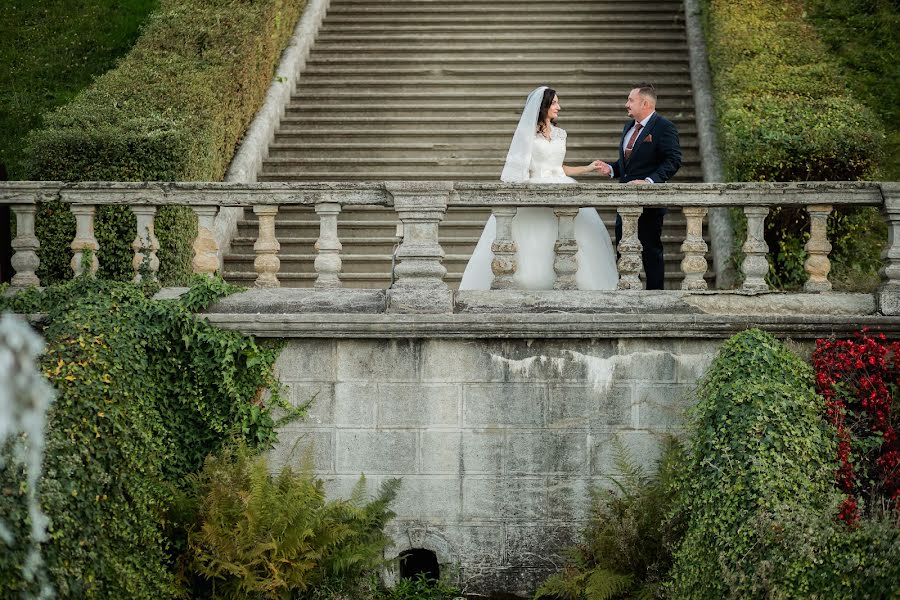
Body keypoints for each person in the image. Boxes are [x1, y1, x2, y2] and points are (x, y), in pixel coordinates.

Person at [458, 87, 618, 291]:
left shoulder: (561, 134)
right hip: (536, 189)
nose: (559, 107)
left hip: (563, 187)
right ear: (543, 107)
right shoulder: (527, 134)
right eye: (554, 103)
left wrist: (587, 168)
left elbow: (559, 167)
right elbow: (518, 168)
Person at [596, 83, 682, 290]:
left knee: (651, 251)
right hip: (624, 203)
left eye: (630, 100)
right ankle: (628, 291)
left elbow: (673, 160)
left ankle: (655, 296)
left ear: (645, 103)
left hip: (649, 203)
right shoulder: (628, 127)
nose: (626, 104)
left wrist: (649, 182)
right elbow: (628, 165)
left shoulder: (664, 127)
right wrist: (612, 169)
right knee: (622, 250)